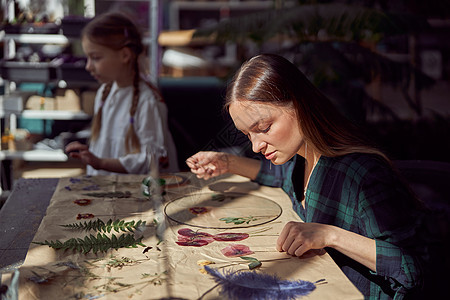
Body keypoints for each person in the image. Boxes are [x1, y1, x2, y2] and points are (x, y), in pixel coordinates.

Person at [186, 54, 433, 299]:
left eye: (263, 128)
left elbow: (415, 268)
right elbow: (277, 177)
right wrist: (227, 162)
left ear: (299, 105)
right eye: (247, 135)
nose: (255, 145)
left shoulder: (362, 176)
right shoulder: (300, 161)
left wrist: (330, 235)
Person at [65, 12, 178, 175]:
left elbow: (154, 159)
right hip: (107, 191)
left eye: (95, 58)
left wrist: (101, 162)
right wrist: (90, 155)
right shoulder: (104, 92)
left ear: (125, 55)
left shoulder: (148, 101)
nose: (88, 66)